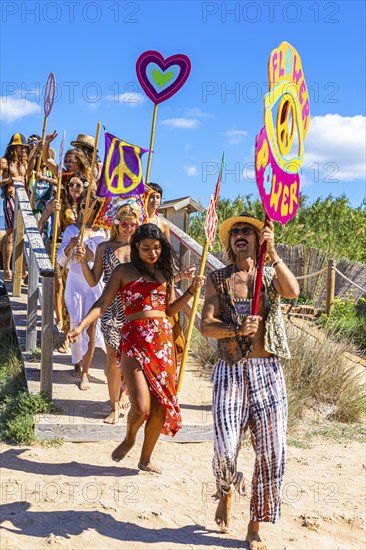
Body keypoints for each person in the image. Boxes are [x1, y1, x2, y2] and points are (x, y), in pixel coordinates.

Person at [69, 224, 205, 473]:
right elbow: (102, 302)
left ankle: (145, 459)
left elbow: (170, 310)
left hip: (162, 344)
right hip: (133, 340)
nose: (152, 253)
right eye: (145, 248)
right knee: (141, 406)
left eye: (156, 248)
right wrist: (81, 326)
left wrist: (191, 292)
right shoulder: (123, 271)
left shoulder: (164, 273)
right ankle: (130, 437)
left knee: (160, 406)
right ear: (135, 247)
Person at [200, 212, 299, 549]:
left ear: (259, 240)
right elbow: (206, 325)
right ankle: (226, 490)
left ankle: (255, 525)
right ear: (229, 242)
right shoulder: (218, 277)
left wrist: (273, 256)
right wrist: (235, 329)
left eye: (248, 232)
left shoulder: (269, 275)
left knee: (273, 452)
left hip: (268, 371)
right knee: (225, 451)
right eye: (235, 232)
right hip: (231, 370)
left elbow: (294, 290)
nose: (240, 235)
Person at [76, 200, 141, 423]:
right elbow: (94, 281)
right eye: (124, 223)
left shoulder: (142, 247)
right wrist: (83, 261)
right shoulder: (104, 248)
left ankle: (125, 392)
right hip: (111, 307)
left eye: (133, 224)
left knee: (132, 358)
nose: (128, 227)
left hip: (136, 308)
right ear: (117, 223)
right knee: (114, 358)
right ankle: (114, 406)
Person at [57, 190, 107, 389]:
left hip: (95, 281)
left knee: (93, 326)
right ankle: (77, 361)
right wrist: (70, 248)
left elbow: (104, 259)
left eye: (94, 206)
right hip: (76, 282)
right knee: (77, 322)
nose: (91, 210)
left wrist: (90, 255)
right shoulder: (71, 230)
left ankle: (86, 371)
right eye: (87, 205)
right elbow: (61, 261)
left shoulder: (103, 232)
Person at [38, 172, 85, 351]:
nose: (74, 188)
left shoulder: (84, 205)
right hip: (58, 245)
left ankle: (68, 325)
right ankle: (59, 319)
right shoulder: (58, 201)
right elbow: (42, 220)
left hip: (76, 249)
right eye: (71, 185)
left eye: (78, 185)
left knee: (69, 285)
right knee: (58, 283)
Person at [0, 134, 29, 281]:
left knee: (23, 236)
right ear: (13, 147)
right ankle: (7, 270)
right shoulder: (4, 162)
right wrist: (10, 180)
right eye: (20, 146)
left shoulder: (24, 163)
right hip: (10, 199)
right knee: (10, 236)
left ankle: (21, 270)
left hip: (23, 201)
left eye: (23, 147)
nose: (22, 149)